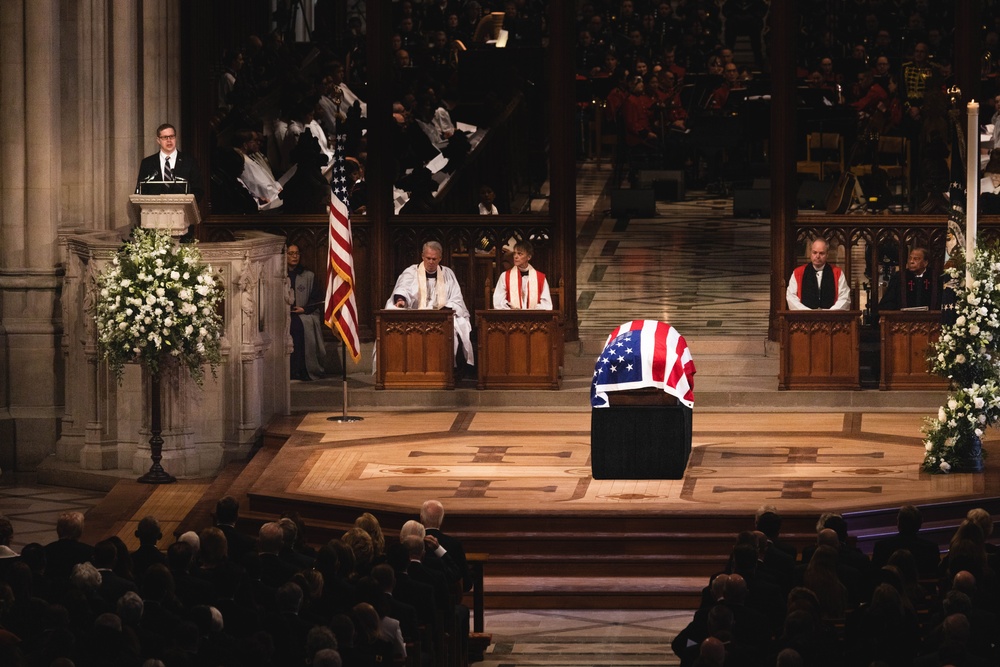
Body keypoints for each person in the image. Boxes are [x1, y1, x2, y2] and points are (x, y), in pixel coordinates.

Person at [386, 241, 474, 366]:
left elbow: (457, 298)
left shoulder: (447, 274)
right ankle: (406, 365)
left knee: (456, 326)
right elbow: (402, 288)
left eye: (434, 259)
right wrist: (401, 299)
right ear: (422, 256)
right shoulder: (412, 271)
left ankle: (443, 367)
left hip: (441, 316)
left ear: (440, 258)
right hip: (416, 315)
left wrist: (446, 307)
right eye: (428, 258)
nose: (431, 262)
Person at [287, 244, 327, 381]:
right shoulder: (279, 276)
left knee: (298, 327)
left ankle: (303, 370)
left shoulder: (308, 275)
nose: (294, 256)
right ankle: (289, 371)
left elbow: (317, 297)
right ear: (285, 255)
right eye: (291, 253)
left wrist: (304, 309)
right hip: (283, 314)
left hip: (303, 312)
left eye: (297, 253)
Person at [134, 123, 204, 201]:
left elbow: (198, 190)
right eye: (164, 137)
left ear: (176, 138)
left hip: (182, 211)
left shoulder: (189, 162)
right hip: (155, 211)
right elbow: (141, 190)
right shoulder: (147, 163)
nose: (169, 140)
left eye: (171, 136)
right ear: (158, 140)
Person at [785, 238, 851, 310]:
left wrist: (830, 313)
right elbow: (791, 297)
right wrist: (808, 312)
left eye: (821, 253)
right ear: (810, 253)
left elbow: (844, 298)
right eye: (814, 252)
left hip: (832, 318)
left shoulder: (837, 273)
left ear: (827, 254)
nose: (817, 256)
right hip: (804, 318)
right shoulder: (798, 273)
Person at [492, 240, 552, 310]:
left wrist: (530, 311)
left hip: (534, 319)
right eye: (514, 253)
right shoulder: (504, 276)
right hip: (511, 318)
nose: (515, 257)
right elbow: (498, 302)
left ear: (529, 257)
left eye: (520, 254)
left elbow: (547, 304)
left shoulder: (540, 278)